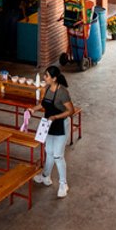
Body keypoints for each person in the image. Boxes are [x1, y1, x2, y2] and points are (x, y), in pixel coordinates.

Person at [33, 65, 75, 198]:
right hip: (49, 124)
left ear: (54, 78)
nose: (44, 77)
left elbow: (71, 111)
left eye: (46, 76)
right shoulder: (47, 88)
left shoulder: (62, 92)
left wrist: (56, 117)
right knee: (49, 151)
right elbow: (43, 104)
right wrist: (32, 109)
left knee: (58, 155)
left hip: (61, 124)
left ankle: (63, 184)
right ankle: (45, 176)